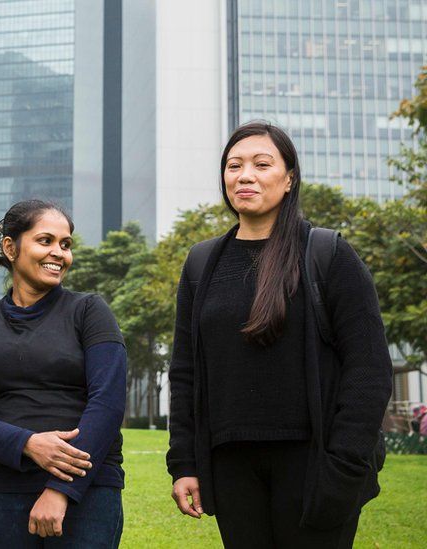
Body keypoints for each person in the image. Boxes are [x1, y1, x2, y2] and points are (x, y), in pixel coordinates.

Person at [166, 122, 393, 547]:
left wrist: (343, 465)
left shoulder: (327, 253)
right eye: (234, 166)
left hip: (313, 463)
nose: (244, 175)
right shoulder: (201, 264)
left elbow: (369, 369)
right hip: (231, 467)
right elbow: (185, 372)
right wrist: (184, 463)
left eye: (261, 164)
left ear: (289, 179)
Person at [0, 200, 127, 548]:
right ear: (11, 248)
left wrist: (61, 490)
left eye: (66, 244)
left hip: (87, 490)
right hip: (3, 491)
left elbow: (107, 402)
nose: (59, 253)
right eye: (45, 241)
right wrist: (28, 444)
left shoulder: (90, 311)